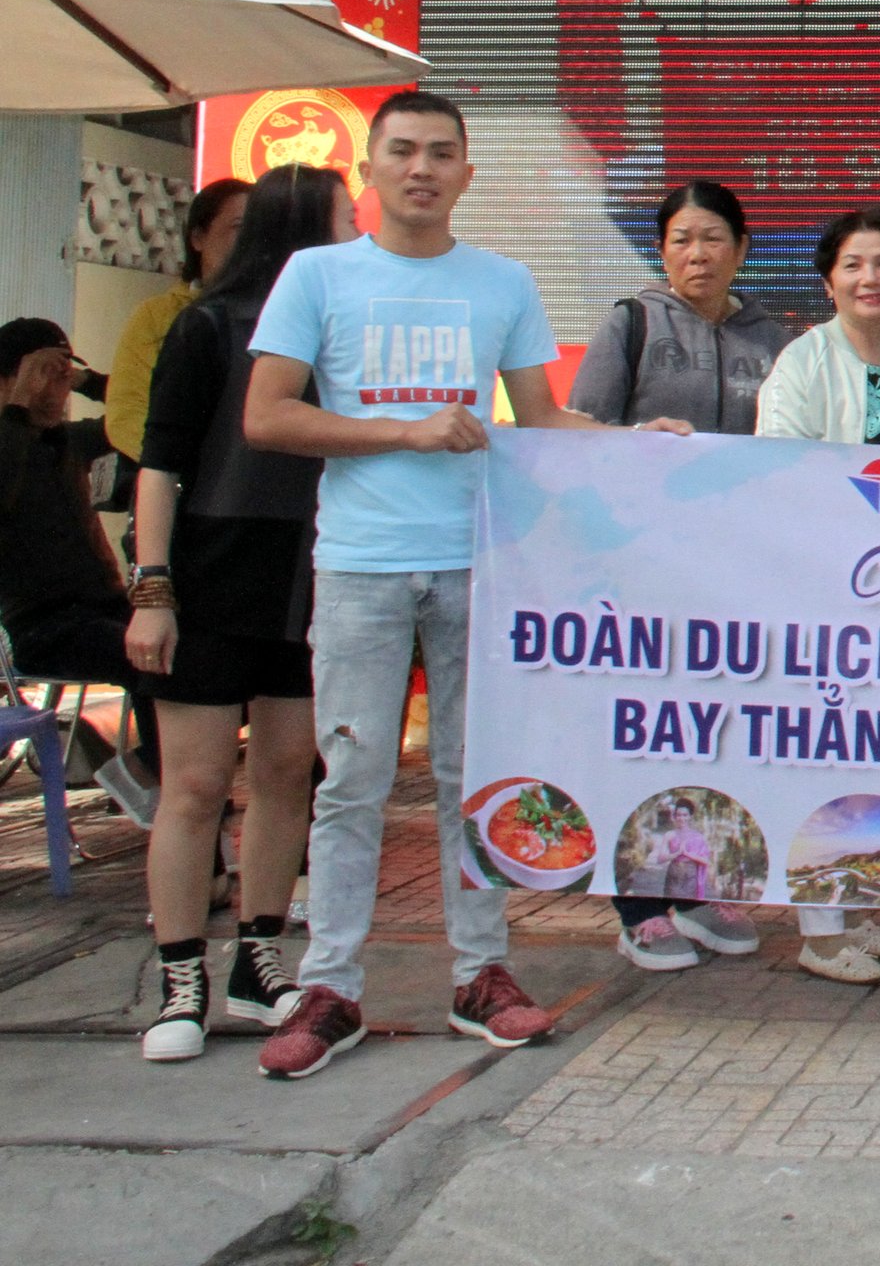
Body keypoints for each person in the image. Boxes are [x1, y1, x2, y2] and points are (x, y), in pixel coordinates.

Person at [243, 90, 694, 1081]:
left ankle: (481, 970)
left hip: (479, 559)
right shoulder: (316, 275)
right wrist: (400, 431)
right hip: (359, 563)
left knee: (470, 773)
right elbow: (267, 416)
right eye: (402, 150)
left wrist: (629, 441)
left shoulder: (500, 280)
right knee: (352, 776)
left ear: (466, 172)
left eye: (441, 153)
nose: (421, 169)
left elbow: (536, 420)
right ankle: (332, 985)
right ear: (370, 165)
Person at [126, 164, 350, 1063]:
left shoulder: (338, 332)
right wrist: (153, 589)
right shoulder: (207, 326)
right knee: (193, 785)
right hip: (209, 574)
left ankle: (262, 961)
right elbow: (160, 464)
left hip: (307, 576)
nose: (355, 231)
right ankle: (182, 976)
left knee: (290, 771)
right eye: (343, 216)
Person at [570, 179, 794, 974]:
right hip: (641, 569)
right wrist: (637, 440)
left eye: (712, 239)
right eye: (680, 241)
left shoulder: (773, 339)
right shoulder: (629, 324)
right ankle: (639, 903)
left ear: (741, 247)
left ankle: (704, 887)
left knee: (721, 729)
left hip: (735, 572)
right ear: (661, 251)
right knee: (647, 731)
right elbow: (577, 437)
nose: (697, 255)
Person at [756, 205, 880, 983]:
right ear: (829, 278)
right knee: (824, 750)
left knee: (879, 749)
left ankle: (854, 913)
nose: (871, 278)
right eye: (854, 264)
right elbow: (777, 474)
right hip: (825, 586)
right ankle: (820, 932)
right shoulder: (803, 360)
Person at [0, 316, 155, 817]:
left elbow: (141, 415)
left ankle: (150, 773)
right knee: (147, 656)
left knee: (189, 646)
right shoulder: (8, 442)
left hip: (106, 609)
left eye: (61, 373)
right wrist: (19, 405)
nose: (55, 386)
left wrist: (88, 380)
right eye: (43, 372)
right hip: (43, 625)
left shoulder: (68, 442)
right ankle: (157, 783)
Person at [106, 177, 251, 469]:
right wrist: (179, 466)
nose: (250, 239)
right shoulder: (157, 316)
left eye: (258, 228)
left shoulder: (277, 313)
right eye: (238, 226)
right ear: (198, 237)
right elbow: (126, 415)